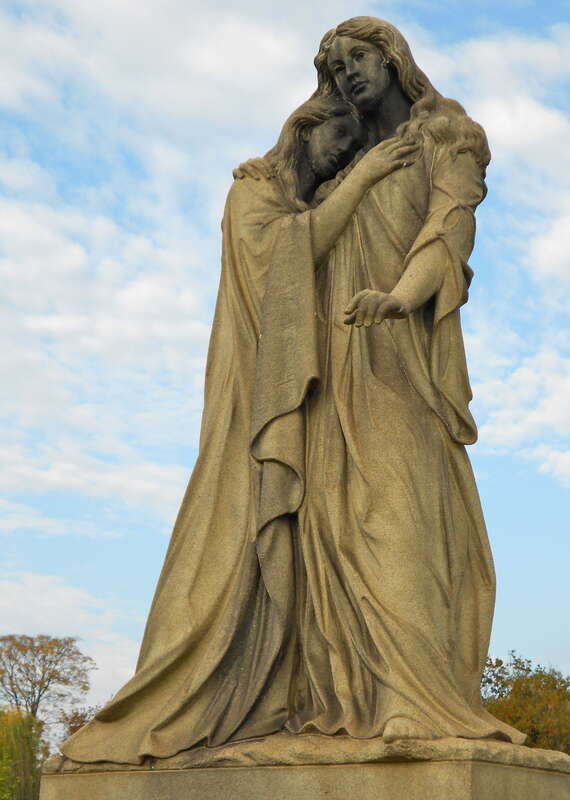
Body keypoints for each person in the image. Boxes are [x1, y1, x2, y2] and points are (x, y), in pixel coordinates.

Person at [60, 94, 421, 765]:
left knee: (292, 541)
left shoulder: (296, 201)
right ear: (303, 130)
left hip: (292, 396)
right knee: (228, 536)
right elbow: (297, 251)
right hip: (251, 397)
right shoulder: (252, 194)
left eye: (351, 152)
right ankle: (184, 689)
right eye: (337, 142)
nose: (341, 158)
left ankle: (283, 686)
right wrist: (369, 176)